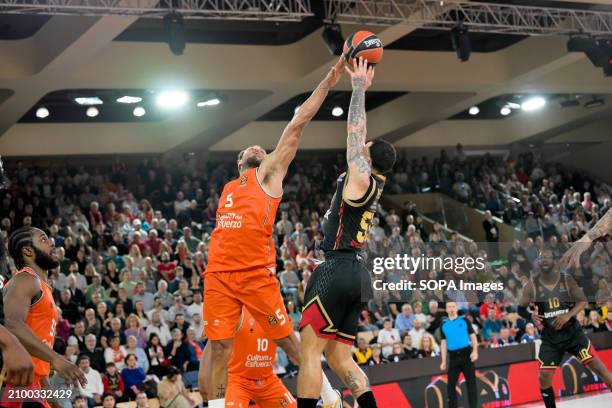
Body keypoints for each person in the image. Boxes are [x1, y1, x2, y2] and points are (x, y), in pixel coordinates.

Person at [200, 57, 346, 408]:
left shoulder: (268, 175)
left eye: (260, 148)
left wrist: (327, 81)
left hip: (254, 275)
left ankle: (329, 397)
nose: (255, 147)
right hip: (219, 274)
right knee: (219, 347)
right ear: (238, 163)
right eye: (247, 149)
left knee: (290, 344)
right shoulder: (229, 188)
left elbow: (298, 123)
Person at [297, 57, 397, 408]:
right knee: (340, 360)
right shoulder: (375, 183)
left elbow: (355, 131)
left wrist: (358, 86)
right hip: (355, 272)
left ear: (368, 157)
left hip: (338, 269)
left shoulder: (361, 176)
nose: (360, 148)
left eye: (365, 150)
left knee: (308, 352)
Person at [518, 248, 612, 408]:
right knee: (543, 378)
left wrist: (568, 316)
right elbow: (520, 309)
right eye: (541, 258)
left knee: (599, 368)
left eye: (547, 256)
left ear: (554, 261)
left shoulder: (566, 279)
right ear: (538, 263)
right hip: (550, 337)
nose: (544, 260)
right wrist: (530, 316)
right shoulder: (531, 286)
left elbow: (582, 301)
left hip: (573, 333)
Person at [4, 226, 87, 404]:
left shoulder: (43, 287)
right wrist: (57, 359)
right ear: (28, 251)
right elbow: (11, 323)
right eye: (43, 239)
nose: (52, 243)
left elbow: (39, 360)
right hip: (16, 381)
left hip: (34, 382)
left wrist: (53, 402)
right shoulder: (26, 279)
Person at [201, 308, 299, 408]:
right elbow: (214, 351)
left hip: (267, 379)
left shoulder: (276, 311)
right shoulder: (236, 311)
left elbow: (291, 343)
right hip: (237, 380)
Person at [440, 301, 479, 408]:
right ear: (446, 310)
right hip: (453, 357)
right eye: (449, 307)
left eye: (453, 306)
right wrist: (443, 361)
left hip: (467, 355)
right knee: (450, 386)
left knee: (471, 385)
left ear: (456, 308)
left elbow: (473, 336)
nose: (451, 309)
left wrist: (475, 351)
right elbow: (443, 343)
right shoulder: (444, 324)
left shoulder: (464, 320)